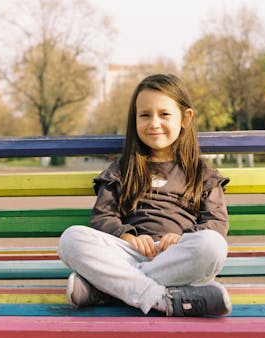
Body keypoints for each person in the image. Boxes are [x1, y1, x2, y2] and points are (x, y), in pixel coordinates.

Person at [58, 73, 231, 317]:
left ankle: (108, 290)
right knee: (70, 239)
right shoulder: (121, 169)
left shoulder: (202, 173)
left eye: (165, 114)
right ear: (134, 120)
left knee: (213, 246)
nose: (154, 123)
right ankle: (162, 299)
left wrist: (182, 238)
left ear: (186, 118)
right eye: (145, 115)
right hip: (129, 253)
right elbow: (102, 217)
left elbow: (217, 223)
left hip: (178, 257)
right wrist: (127, 236)